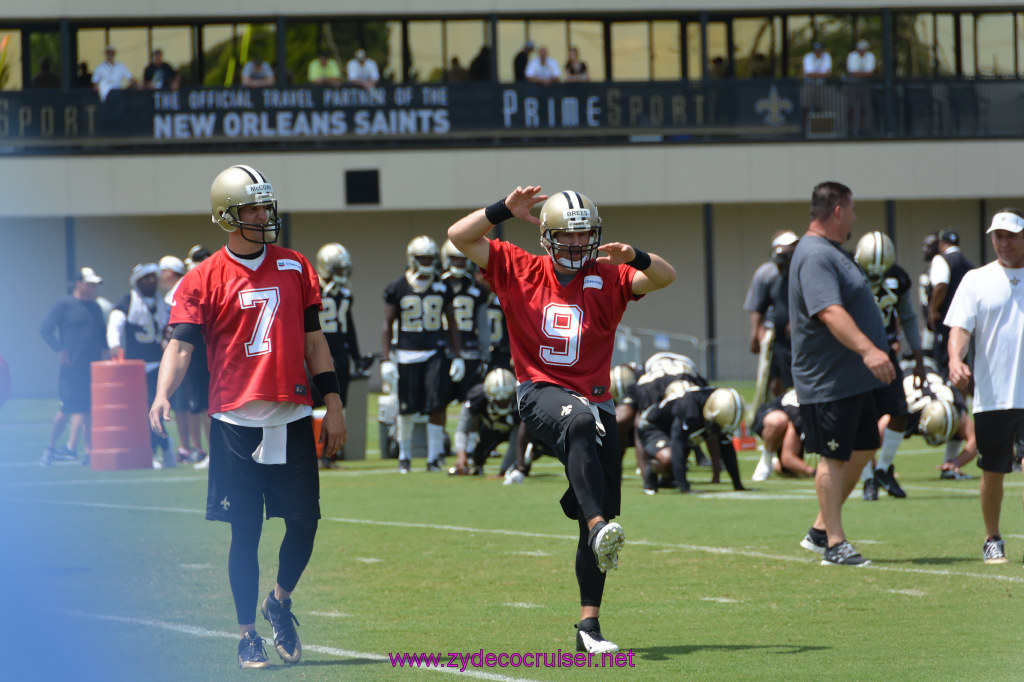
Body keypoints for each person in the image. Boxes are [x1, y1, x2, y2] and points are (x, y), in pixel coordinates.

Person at [448, 185, 676, 654]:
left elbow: (666, 277)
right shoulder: (519, 266)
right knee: (577, 435)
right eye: (568, 237)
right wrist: (502, 212)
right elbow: (458, 236)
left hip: (600, 402)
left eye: (584, 236)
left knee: (606, 514)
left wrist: (635, 254)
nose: (577, 245)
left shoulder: (609, 275)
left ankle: (587, 629)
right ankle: (593, 523)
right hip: (541, 391)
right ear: (547, 237)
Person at [149, 164, 346, 668]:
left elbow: (313, 341)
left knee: (304, 523)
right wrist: (161, 393)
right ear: (227, 216)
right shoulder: (202, 278)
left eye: (265, 205)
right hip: (236, 422)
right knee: (247, 532)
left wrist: (334, 402)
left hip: (292, 415)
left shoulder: (296, 266)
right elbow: (180, 347)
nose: (263, 214)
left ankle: (278, 601)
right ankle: (246, 633)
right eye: (253, 207)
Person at [790, 181, 895, 567]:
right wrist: (868, 350)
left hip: (851, 378)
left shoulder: (831, 252)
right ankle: (834, 543)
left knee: (864, 446)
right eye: (850, 211)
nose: (853, 218)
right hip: (829, 378)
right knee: (832, 458)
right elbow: (829, 311)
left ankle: (820, 529)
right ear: (837, 211)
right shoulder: (817, 254)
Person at [945, 209, 1024, 565]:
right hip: (992, 396)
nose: (1004, 243)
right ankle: (992, 538)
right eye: (998, 236)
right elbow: (960, 329)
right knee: (993, 472)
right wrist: (955, 360)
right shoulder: (976, 280)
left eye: (1012, 236)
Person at [380, 236, 462, 473]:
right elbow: (387, 325)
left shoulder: (442, 287)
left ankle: (434, 456)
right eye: (422, 258)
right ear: (412, 259)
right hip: (406, 354)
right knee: (407, 408)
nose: (426, 262)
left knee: (436, 406)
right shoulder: (397, 287)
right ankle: (404, 455)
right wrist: (387, 359)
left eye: (430, 258)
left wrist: (456, 355)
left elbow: (452, 323)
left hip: (435, 352)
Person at [853, 231, 926, 501]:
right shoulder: (846, 272)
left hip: (885, 355)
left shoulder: (898, 277)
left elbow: (907, 316)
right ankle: (867, 479)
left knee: (899, 413)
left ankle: (883, 468)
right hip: (854, 356)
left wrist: (919, 360)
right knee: (862, 420)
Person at [39, 267, 108, 466]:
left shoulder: (95, 307)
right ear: (79, 284)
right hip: (72, 369)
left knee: (88, 409)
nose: (94, 288)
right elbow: (45, 329)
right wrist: (60, 349)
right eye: (90, 284)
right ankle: (50, 448)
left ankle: (89, 452)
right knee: (67, 408)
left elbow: (102, 334)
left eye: (95, 284)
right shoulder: (64, 305)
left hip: (92, 367)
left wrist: (105, 352)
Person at [108, 262, 173, 467]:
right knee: (141, 410)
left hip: (158, 364)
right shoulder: (128, 302)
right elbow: (115, 323)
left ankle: (158, 447)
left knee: (153, 409)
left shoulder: (161, 303)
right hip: (135, 366)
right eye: (147, 278)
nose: (152, 281)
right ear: (138, 282)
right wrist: (115, 345)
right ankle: (162, 446)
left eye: (154, 277)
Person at [159, 255, 202, 464]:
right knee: (182, 405)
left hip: (190, 353)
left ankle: (198, 447)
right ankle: (189, 447)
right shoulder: (171, 293)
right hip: (181, 352)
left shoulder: (183, 289)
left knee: (196, 404)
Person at [441, 239, 489, 403]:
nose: (459, 263)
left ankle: (467, 430)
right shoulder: (437, 286)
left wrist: (485, 354)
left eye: (462, 258)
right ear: (446, 258)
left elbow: (483, 326)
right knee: (440, 401)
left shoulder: (477, 290)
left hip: (470, 350)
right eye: (455, 258)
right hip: (442, 350)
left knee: (470, 400)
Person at [451, 368, 520, 476]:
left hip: (519, 433)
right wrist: (461, 455)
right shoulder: (477, 398)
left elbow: (523, 433)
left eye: (505, 400)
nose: (502, 403)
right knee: (478, 457)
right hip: (491, 429)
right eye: (498, 400)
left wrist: (504, 471)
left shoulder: (521, 398)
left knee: (522, 436)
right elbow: (463, 428)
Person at [928, 228, 973, 377]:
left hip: (946, 319)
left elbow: (941, 285)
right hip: (965, 321)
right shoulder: (967, 263)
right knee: (962, 360)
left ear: (941, 243)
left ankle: (950, 396)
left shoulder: (941, 259)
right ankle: (962, 395)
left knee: (945, 362)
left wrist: (933, 309)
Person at [845, 39, 875, 136]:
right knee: (851, 106)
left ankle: (863, 128)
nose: (861, 51)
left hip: (865, 84)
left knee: (864, 107)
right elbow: (851, 72)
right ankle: (850, 128)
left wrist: (859, 74)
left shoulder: (870, 56)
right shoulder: (852, 56)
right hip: (853, 84)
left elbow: (870, 72)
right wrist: (863, 73)